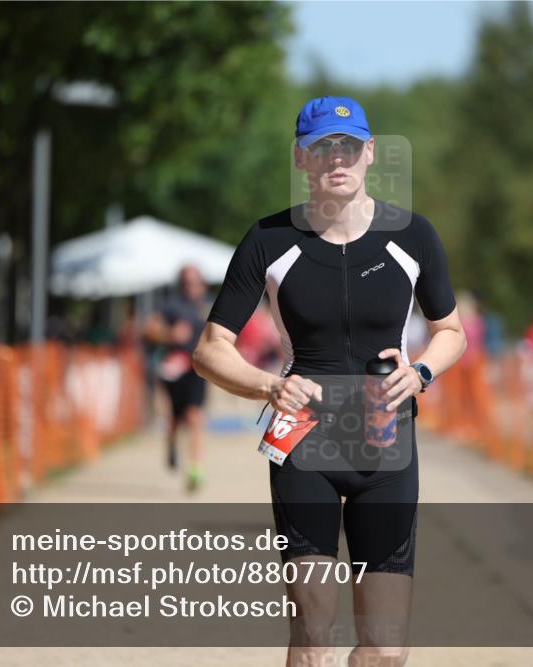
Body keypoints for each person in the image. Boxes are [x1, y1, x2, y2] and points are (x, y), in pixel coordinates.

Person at [192, 96, 466, 666]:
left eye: (346, 146)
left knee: (386, 650)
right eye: (321, 148)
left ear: (369, 153)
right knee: (314, 639)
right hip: (304, 444)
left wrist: (420, 373)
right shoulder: (268, 241)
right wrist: (267, 385)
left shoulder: (413, 236)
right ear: (301, 159)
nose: (335, 158)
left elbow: (451, 331)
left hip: (386, 446)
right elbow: (209, 350)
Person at [145, 265, 211, 492]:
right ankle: (172, 445)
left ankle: (195, 468)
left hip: (198, 369)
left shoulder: (209, 304)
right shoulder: (172, 305)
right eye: (186, 282)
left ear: (202, 282)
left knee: (194, 416)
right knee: (175, 418)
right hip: (174, 369)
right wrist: (169, 335)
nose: (190, 285)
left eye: (194, 281)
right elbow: (150, 328)